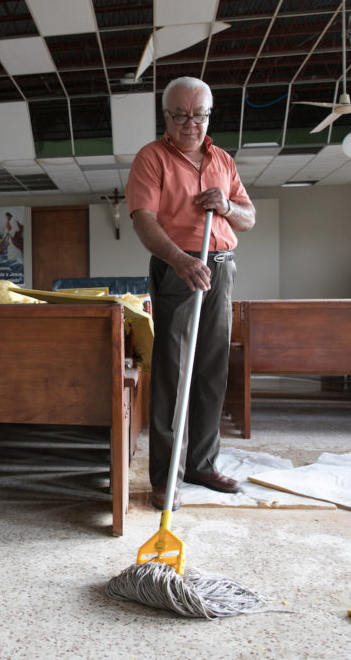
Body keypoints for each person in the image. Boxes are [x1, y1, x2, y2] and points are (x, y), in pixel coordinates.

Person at [126, 76, 256, 510]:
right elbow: (144, 219)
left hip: (221, 268)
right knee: (173, 374)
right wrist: (180, 261)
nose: (190, 124)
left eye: (198, 115)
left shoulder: (223, 160)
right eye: (181, 115)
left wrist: (227, 207)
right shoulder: (152, 158)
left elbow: (248, 218)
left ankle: (202, 463)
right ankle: (165, 477)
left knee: (213, 370)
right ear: (166, 117)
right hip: (177, 269)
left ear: (208, 116)